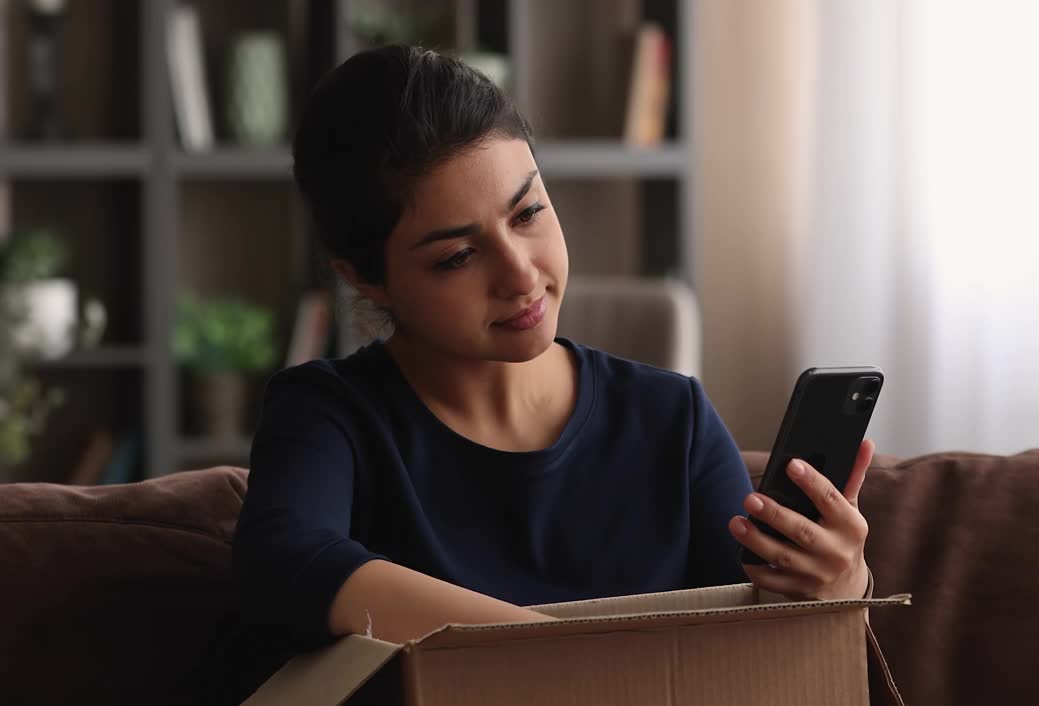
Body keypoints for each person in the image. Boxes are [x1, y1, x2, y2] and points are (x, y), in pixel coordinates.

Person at [232, 45, 874, 656]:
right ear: (365, 277)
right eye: (457, 256)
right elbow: (286, 561)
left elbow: (760, 657)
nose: (519, 274)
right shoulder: (328, 415)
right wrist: (574, 662)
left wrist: (841, 589)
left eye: (528, 212)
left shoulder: (671, 418)